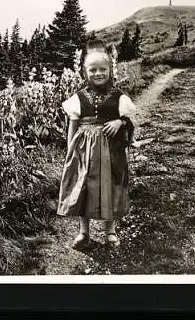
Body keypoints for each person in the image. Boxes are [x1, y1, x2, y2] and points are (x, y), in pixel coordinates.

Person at [57, 40, 136, 249]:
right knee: (84, 187)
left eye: (103, 69)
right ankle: (84, 232)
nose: (98, 73)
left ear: (110, 70)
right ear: (85, 72)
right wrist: (70, 151)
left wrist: (121, 121)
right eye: (93, 70)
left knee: (112, 186)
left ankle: (110, 231)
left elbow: (131, 121)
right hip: (84, 152)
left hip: (111, 151)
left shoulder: (120, 98)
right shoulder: (78, 98)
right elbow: (72, 126)